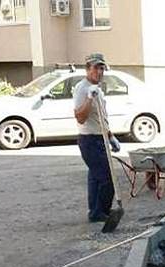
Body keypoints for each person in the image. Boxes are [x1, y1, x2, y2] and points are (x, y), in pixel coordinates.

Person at [74, 53, 121, 223]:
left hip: (99, 138)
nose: (99, 72)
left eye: (102, 68)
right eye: (96, 68)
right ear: (88, 69)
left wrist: (111, 137)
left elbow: (100, 118)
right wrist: (88, 99)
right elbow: (80, 117)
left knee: (95, 178)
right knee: (107, 178)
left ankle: (95, 212)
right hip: (89, 140)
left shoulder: (97, 89)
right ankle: (103, 211)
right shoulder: (83, 88)